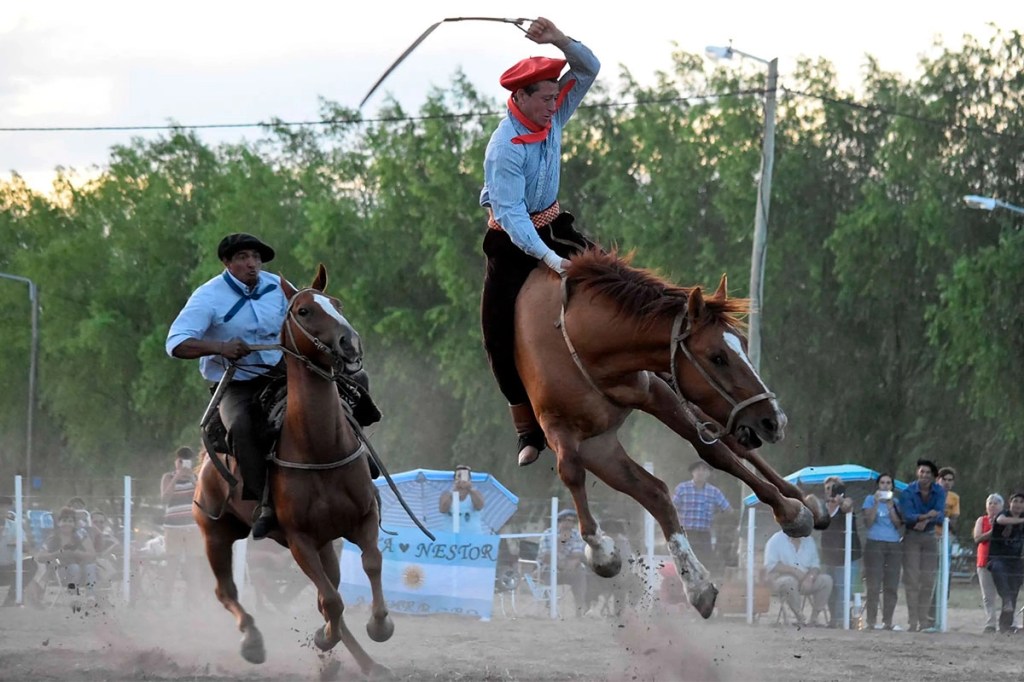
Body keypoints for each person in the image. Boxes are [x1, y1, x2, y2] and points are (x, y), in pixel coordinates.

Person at [165, 232, 382, 539]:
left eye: (256, 257)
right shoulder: (207, 297)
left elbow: (305, 317)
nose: (252, 264)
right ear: (226, 263)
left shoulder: (277, 288)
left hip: (282, 368)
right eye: (242, 258)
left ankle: (357, 455)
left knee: (354, 382)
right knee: (241, 425)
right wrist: (221, 347)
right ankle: (264, 504)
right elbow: (175, 344)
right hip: (237, 380)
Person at [478, 16, 601, 467]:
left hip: (555, 224)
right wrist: (553, 261)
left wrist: (560, 40)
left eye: (556, 97)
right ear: (521, 97)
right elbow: (512, 218)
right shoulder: (504, 148)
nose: (556, 105)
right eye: (546, 98)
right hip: (511, 241)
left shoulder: (553, 108)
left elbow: (589, 70)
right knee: (495, 335)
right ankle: (527, 429)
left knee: (613, 279)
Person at [898, 458, 946, 632]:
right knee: (911, 579)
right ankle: (912, 621)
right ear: (917, 473)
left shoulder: (939, 491)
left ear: (933, 476)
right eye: (921, 471)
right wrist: (927, 517)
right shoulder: (908, 491)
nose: (924, 475)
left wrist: (924, 521)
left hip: (929, 536)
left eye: (927, 472)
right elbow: (908, 516)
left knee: (927, 580)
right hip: (911, 536)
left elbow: (940, 515)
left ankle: (923, 620)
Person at [159, 446, 205, 603]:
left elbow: (203, 497)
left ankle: (193, 600)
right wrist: (176, 477)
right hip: (172, 526)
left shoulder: (196, 478)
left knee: (193, 564)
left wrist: (192, 478)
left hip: (193, 526)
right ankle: (166, 599)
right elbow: (164, 498)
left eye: (187, 460)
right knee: (172, 562)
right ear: (176, 462)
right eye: (181, 460)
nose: (184, 463)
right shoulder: (168, 477)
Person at [763, 529, 833, 626]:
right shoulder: (776, 540)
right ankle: (799, 617)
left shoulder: (809, 540)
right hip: (781, 578)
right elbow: (770, 566)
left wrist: (810, 578)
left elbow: (815, 565)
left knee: (826, 580)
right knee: (789, 582)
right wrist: (794, 571)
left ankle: (814, 619)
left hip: (805, 578)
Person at [671, 461, 732, 572]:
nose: (701, 472)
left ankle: (704, 586)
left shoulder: (714, 492)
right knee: (685, 563)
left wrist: (718, 518)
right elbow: (672, 507)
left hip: (704, 534)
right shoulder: (682, 489)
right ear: (692, 472)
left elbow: (728, 509)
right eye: (698, 469)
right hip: (686, 533)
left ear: (708, 473)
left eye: (704, 470)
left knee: (704, 563)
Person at [32, 506, 98, 607]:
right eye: (64, 520)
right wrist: (57, 554)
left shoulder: (81, 534)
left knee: (91, 566)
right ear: (59, 523)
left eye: (70, 521)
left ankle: (91, 598)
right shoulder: (53, 537)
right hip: (62, 572)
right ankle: (73, 597)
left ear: (74, 523)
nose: (67, 523)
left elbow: (92, 555)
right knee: (74, 568)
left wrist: (76, 552)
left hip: (82, 569)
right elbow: (40, 557)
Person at [861, 473, 903, 630]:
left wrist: (891, 506)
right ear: (878, 485)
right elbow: (868, 522)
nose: (885, 486)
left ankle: (888, 621)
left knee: (891, 584)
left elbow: (898, 524)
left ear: (892, 486)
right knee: (873, 584)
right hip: (875, 543)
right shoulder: (869, 499)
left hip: (893, 544)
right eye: (882, 483)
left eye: (888, 483)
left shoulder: (897, 502)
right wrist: (877, 504)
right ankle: (871, 621)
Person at [819, 478, 862, 628]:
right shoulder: (821, 509)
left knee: (845, 588)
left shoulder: (845, 505)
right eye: (827, 488)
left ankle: (842, 619)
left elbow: (848, 506)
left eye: (834, 488)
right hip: (829, 557)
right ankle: (834, 619)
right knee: (831, 589)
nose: (830, 491)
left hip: (848, 557)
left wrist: (841, 499)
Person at [537, 509, 592, 617]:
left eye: (572, 521)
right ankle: (551, 608)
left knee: (580, 573)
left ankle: (579, 608)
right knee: (549, 572)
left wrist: (571, 563)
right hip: (549, 569)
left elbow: (577, 554)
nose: (569, 524)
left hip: (568, 569)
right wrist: (561, 541)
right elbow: (547, 558)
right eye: (566, 520)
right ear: (559, 521)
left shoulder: (576, 534)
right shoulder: (548, 534)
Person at [989, 491, 1024, 633]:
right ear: (1010, 503)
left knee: (1014, 589)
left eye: (1022, 502)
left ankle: (1005, 626)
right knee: (999, 572)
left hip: (1015, 560)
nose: (1018, 504)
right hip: (998, 558)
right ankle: (1007, 599)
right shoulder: (1003, 514)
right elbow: (1001, 521)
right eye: (1015, 501)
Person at [973, 493, 1004, 633]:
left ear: (1002, 506)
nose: (992, 506)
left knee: (1006, 593)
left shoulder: (1006, 520)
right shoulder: (982, 520)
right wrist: (993, 531)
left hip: (1003, 562)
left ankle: (1008, 622)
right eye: (990, 503)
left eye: (996, 503)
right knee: (988, 595)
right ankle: (990, 623)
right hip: (984, 561)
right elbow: (978, 538)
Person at [0, 496, 34, 607]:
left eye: (5, 507)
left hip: (9, 567)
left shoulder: (14, 526)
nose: (2, 510)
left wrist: (19, 544)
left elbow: (27, 548)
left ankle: (11, 598)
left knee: (31, 564)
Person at [438, 465, 487, 533]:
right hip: (451, 536)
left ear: (469, 480)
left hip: (473, 536)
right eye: (459, 476)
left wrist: (469, 488)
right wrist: (454, 491)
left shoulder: (475, 493)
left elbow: (479, 506)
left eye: (464, 477)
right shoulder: (446, 494)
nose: (461, 480)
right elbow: (443, 510)